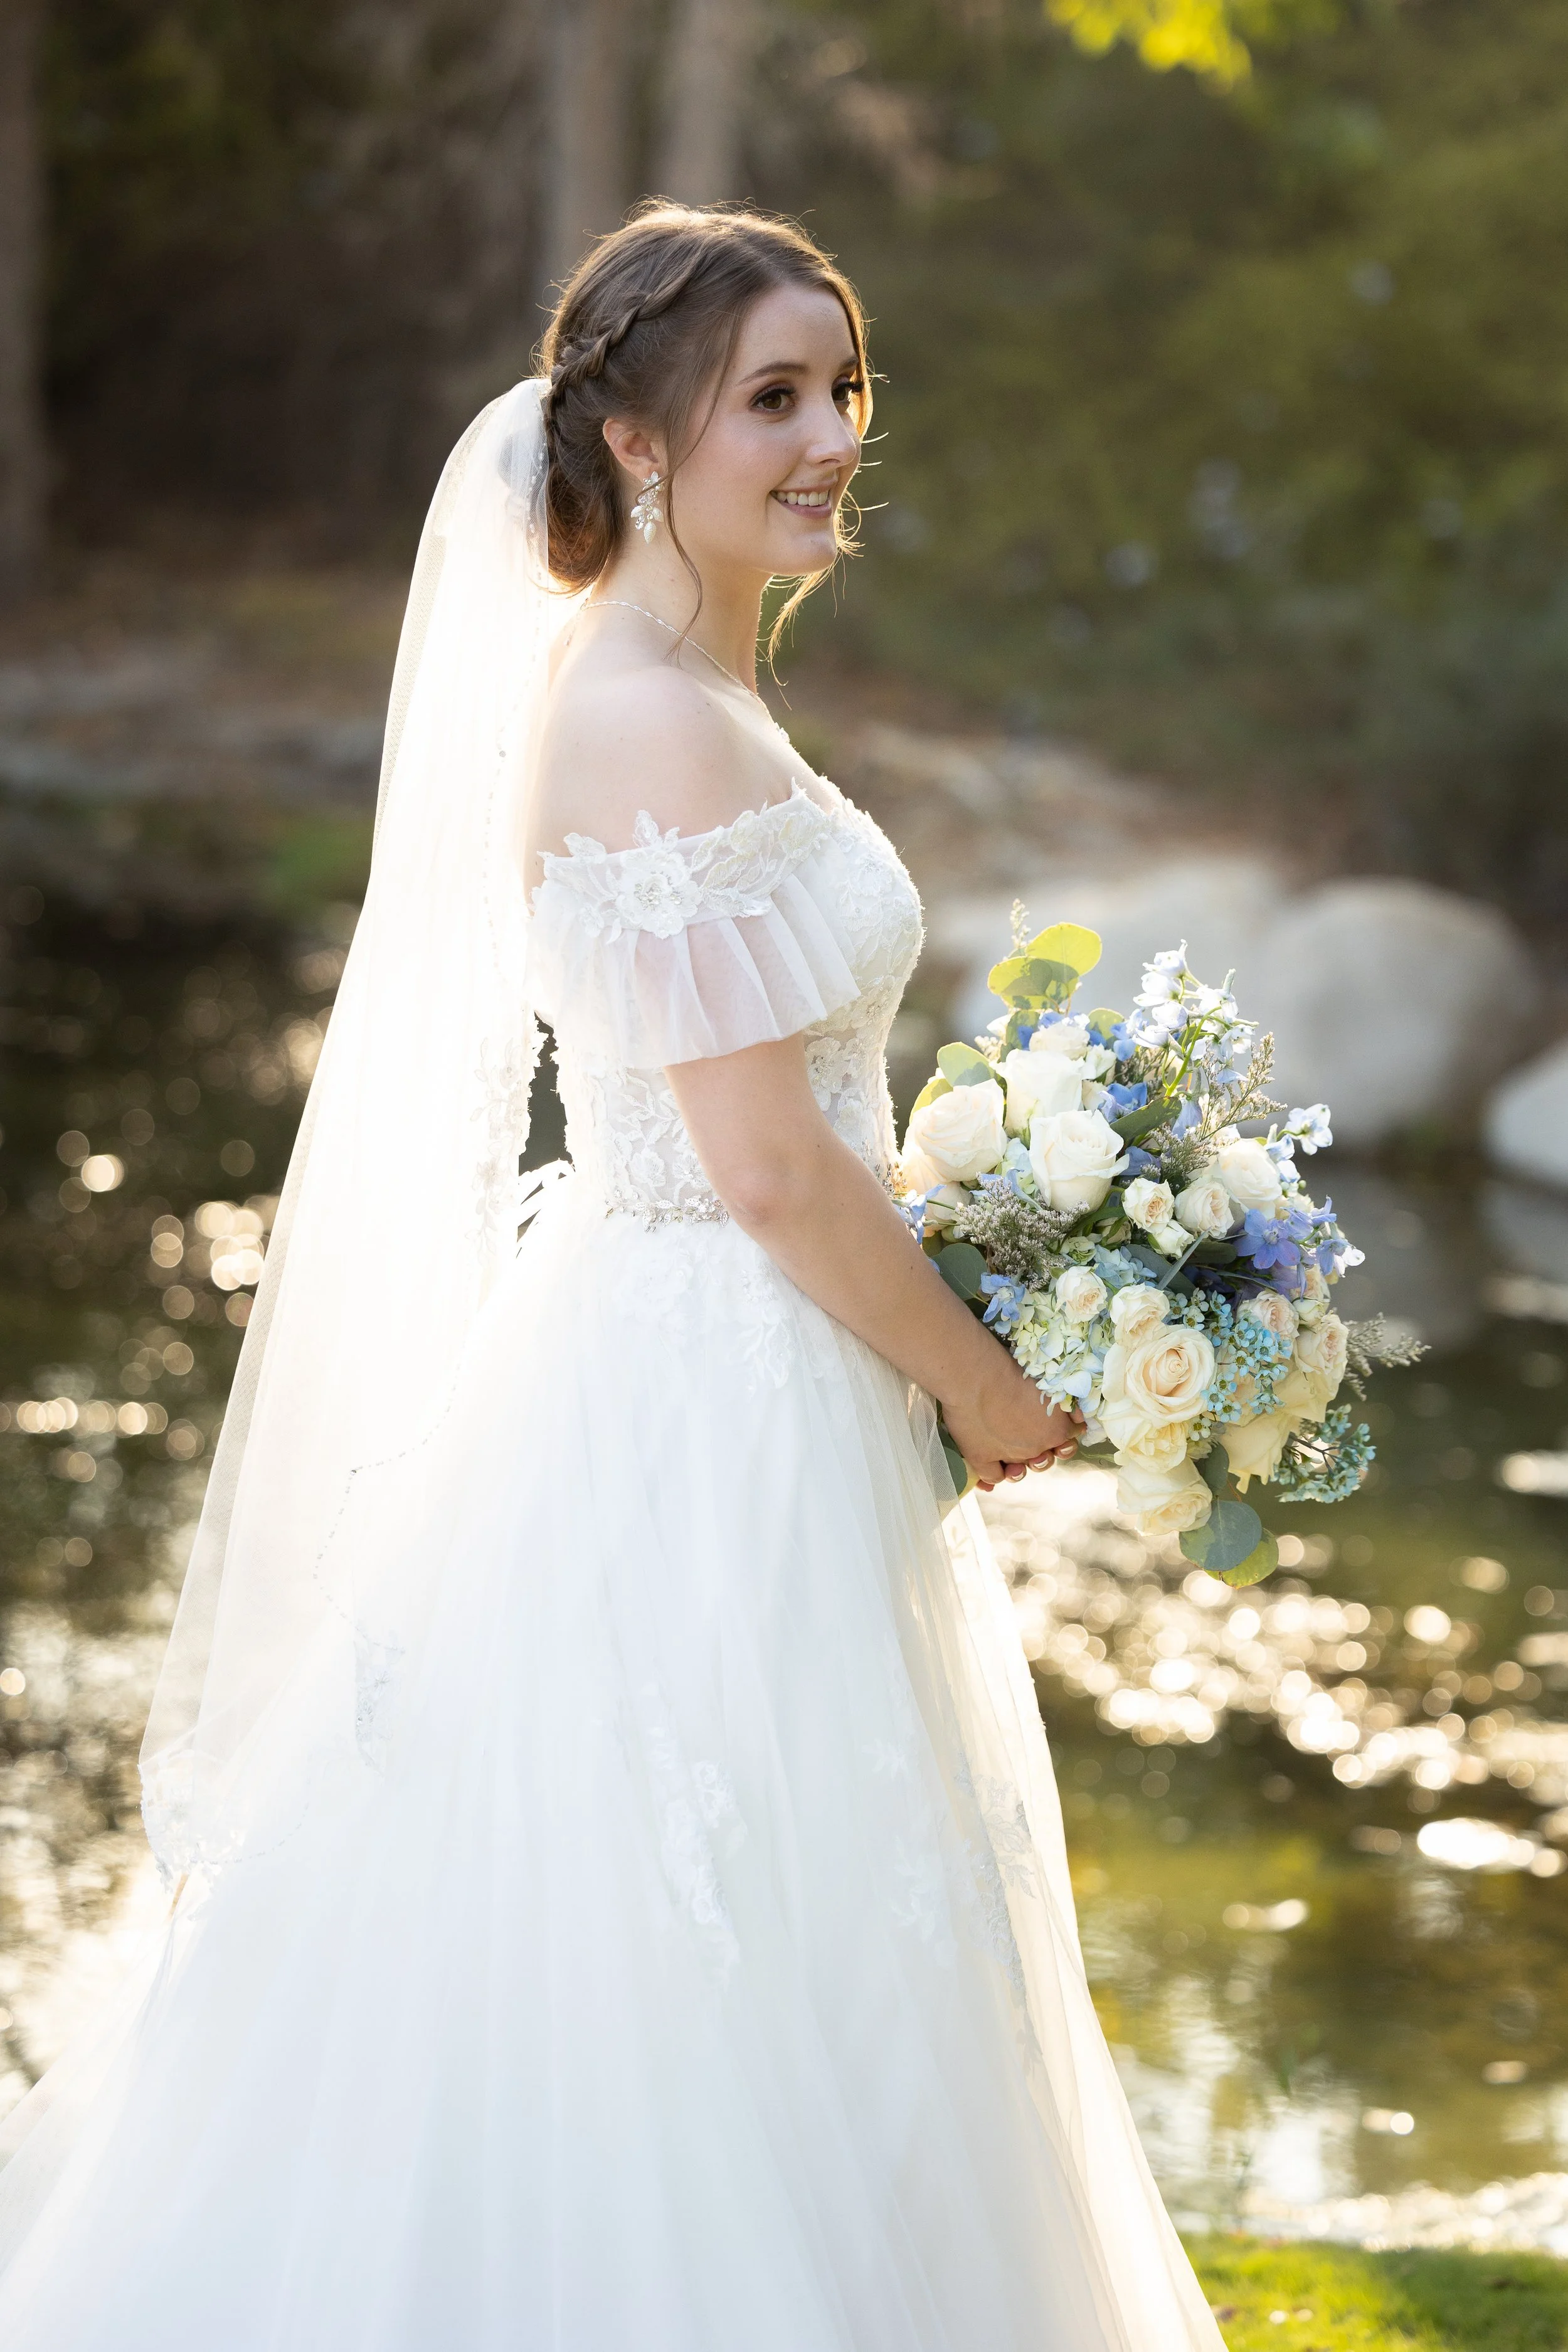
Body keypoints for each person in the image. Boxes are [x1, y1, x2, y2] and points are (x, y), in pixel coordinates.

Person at [0, 201, 1223, 2349]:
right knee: (688, 1952)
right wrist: (994, 1385)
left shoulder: (696, 694)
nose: (833, 434)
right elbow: (758, 1169)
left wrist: (982, 1248)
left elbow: (797, 1131)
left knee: (822, 1943)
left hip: (756, 1371)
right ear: (641, 440)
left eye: (845, 388)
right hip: (704, 1397)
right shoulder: (647, 718)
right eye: (774, 395)